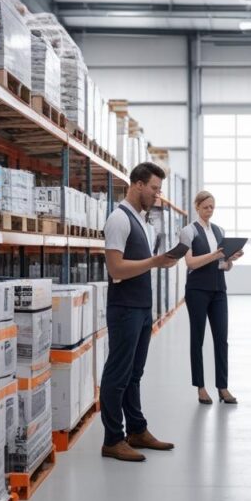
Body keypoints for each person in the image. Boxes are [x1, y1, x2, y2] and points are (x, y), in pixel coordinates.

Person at [100, 162, 180, 463]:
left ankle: (136, 429)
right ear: (137, 185)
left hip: (142, 308)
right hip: (124, 308)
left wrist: (160, 261)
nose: (157, 195)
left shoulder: (141, 221)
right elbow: (115, 268)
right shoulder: (118, 220)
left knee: (134, 374)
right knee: (117, 374)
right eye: (154, 189)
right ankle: (112, 439)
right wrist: (154, 262)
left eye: (159, 190)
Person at [179, 190, 243, 405]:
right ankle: (200, 387)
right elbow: (190, 263)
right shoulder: (189, 231)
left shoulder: (219, 231)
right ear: (197, 207)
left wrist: (230, 259)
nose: (209, 211)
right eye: (206, 207)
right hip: (197, 290)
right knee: (197, 339)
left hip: (218, 290)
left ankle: (223, 387)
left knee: (221, 339)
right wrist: (215, 255)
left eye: (212, 207)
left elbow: (223, 265)